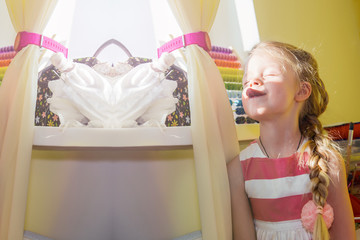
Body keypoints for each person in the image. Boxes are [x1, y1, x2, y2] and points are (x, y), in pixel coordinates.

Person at [227, 41, 355, 240]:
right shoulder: (238, 169)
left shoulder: (328, 161)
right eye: (246, 82)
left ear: (302, 91)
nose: (252, 83)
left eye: (268, 75)